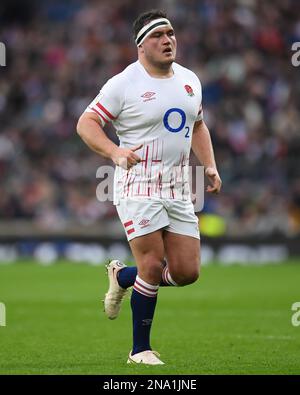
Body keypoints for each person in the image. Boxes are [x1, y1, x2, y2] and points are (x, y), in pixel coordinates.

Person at [77, 9, 222, 365]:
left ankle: (122, 276)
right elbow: (87, 122)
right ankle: (139, 349)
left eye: (171, 33)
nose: (168, 40)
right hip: (137, 182)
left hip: (178, 183)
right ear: (142, 46)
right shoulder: (123, 83)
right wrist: (114, 151)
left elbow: (198, 125)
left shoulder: (190, 80)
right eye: (158, 35)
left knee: (187, 272)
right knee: (153, 263)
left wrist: (210, 166)